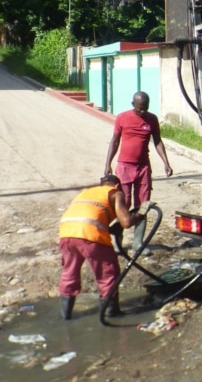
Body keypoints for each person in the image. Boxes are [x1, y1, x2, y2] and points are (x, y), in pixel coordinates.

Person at [58, 175, 149, 320]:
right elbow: (126, 222)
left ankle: (65, 316)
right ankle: (111, 313)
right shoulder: (115, 193)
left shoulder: (86, 192)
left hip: (66, 234)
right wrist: (140, 214)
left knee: (69, 273)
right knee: (107, 273)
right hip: (90, 236)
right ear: (117, 186)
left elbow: (94, 215)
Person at [105, 91, 173, 256]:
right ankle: (117, 242)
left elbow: (157, 141)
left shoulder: (152, 119)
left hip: (143, 168)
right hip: (125, 167)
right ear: (132, 104)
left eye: (145, 108)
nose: (142, 112)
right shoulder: (122, 117)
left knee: (143, 205)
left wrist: (166, 162)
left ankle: (138, 244)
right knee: (123, 204)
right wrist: (108, 164)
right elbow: (115, 141)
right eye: (139, 109)